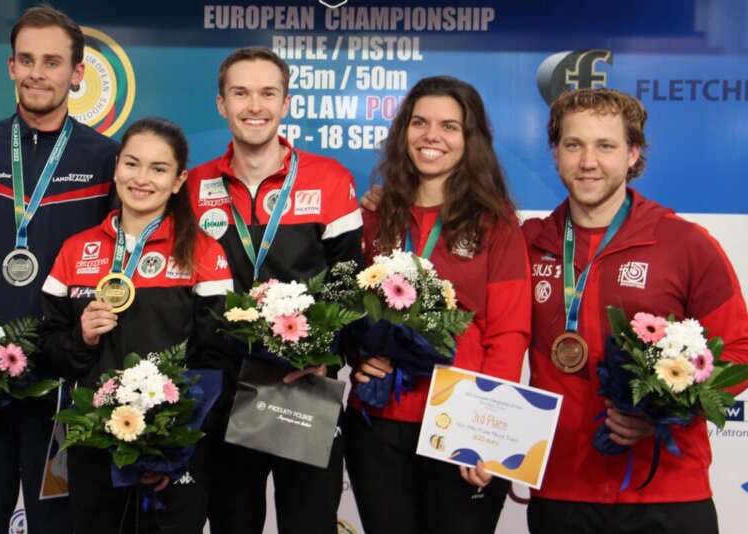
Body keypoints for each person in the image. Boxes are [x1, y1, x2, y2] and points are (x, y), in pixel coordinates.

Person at [523, 88, 748, 533]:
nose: (588, 161)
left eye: (605, 146)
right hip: (561, 491)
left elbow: (739, 352)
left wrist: (666, 410)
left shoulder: (686, 244)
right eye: (574, 145)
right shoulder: (525, 244)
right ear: (556, 154)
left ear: (633, 154)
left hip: (667, 492)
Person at [0, 5, 118, 532]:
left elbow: (118, 274)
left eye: (53, 61)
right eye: (27, 60)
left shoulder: (107, 160)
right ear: (10, 66)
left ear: (76, 73)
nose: (38, 72)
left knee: (61, 525)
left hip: (65, 389)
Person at [186, 46, 364, 534]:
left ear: (286, 103)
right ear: (221, 104)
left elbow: (350, 281)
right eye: (240, 93)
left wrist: (327, 356)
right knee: (231, 523)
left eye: (268, 93)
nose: (254, 106)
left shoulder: (330, 180)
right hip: (223, 392)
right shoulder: (194, 186)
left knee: (309, 523)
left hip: (302, 388)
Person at [345, 76, 531, 534]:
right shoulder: (373, 215)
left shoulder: (496, 224)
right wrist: (358, 356)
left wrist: (489, 433)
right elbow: (346, 309)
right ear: (403, 131)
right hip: (378, 422)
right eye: (420, 122)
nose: (432, 136)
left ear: (471, 141)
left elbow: (509, 333)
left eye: (450, 126)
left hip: (459, 425)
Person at [40, 117, 233, 533]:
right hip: (93, 446)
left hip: (174, 453)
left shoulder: (204, 251)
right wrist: (82, 337)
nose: (141, 178)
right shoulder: (76, 250)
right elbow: (47, 350)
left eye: (158, 169)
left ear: (179, 180)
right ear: (115, 169)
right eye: (132, 164)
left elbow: (216, 359)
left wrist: (169, 448)